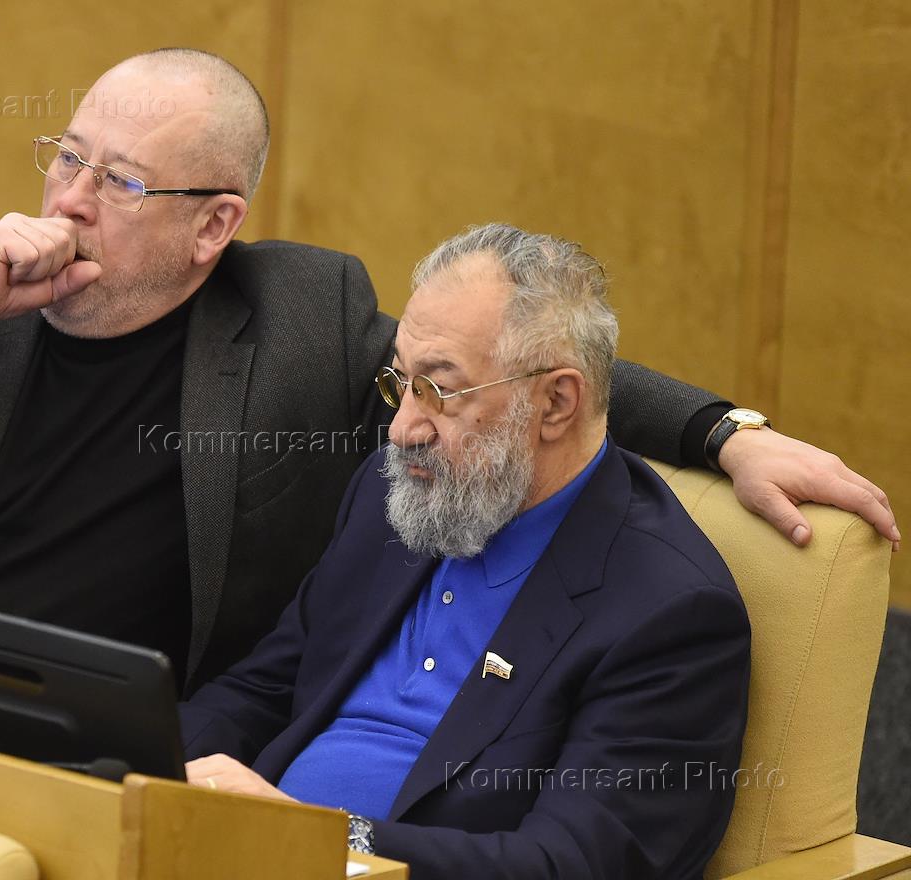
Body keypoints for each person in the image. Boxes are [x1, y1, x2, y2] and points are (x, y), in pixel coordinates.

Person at [0, 49, 895, 694]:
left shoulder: (295, 320)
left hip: (124, 753)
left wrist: (725, 431)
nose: (68, 200)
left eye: (119, 182)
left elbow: (507, 371)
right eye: (66, 157)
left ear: (213, 226)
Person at [181, 224, 750, 879]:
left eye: (439, 392)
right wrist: (136, 762)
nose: (402, 429)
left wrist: (325, 841)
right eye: (400, 383)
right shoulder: (395, 496)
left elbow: (572, 865)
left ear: (556, 403)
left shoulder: (669, 613)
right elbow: (263, 690)